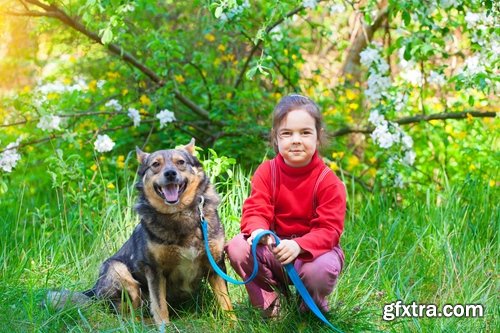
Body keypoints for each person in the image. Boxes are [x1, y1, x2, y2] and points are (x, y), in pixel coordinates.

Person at [225, 94, 346, 318]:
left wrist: (299, 245)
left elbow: (329, 230)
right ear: (276, 138)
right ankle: (270, 305)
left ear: (318, 137)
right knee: (237, 246)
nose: (296, 140)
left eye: (305, 132)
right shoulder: (266, 172)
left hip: (313, 255)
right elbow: (256, 209)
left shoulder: (328, 181)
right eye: (287, 133)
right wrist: (259, 231)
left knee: (319, 270)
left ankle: (310, 308)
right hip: (275, 249)